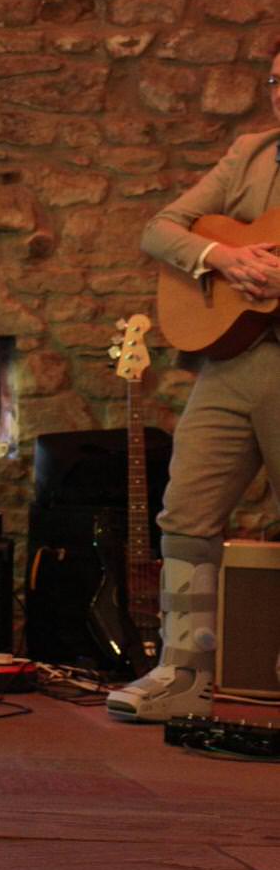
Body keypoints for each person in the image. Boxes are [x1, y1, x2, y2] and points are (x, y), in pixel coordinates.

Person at [109, 41, 280, 722]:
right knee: (185, 515)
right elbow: (160, 229)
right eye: (276, 80)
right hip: (231, 364)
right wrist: (223, 257)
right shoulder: (253, 152)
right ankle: (182, 671)